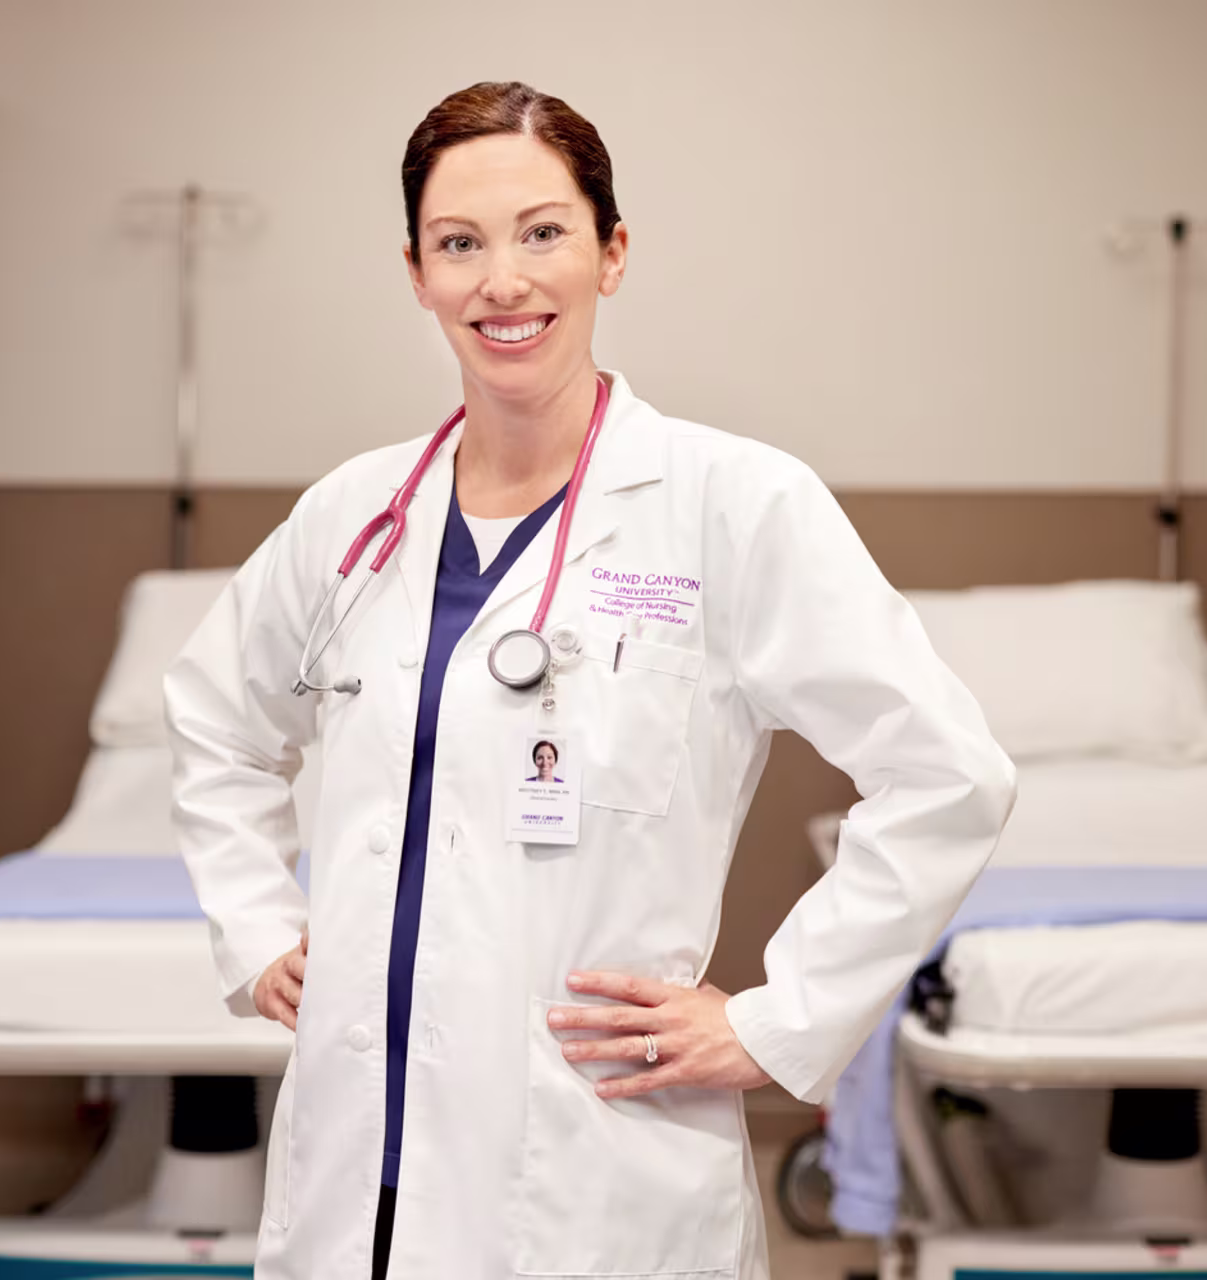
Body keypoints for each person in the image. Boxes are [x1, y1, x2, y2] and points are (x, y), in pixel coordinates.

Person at [165, 81, 1015, 1280]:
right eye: (459, 243)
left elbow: (947, 774)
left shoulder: (734, 503)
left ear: (612, 253)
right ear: (416, 271)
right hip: (358, 1177)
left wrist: (776, 1020)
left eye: (543, 232)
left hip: (590, 1176)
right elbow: (211, 718)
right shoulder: (353, 517)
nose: (502, 280)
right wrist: (258, 929)